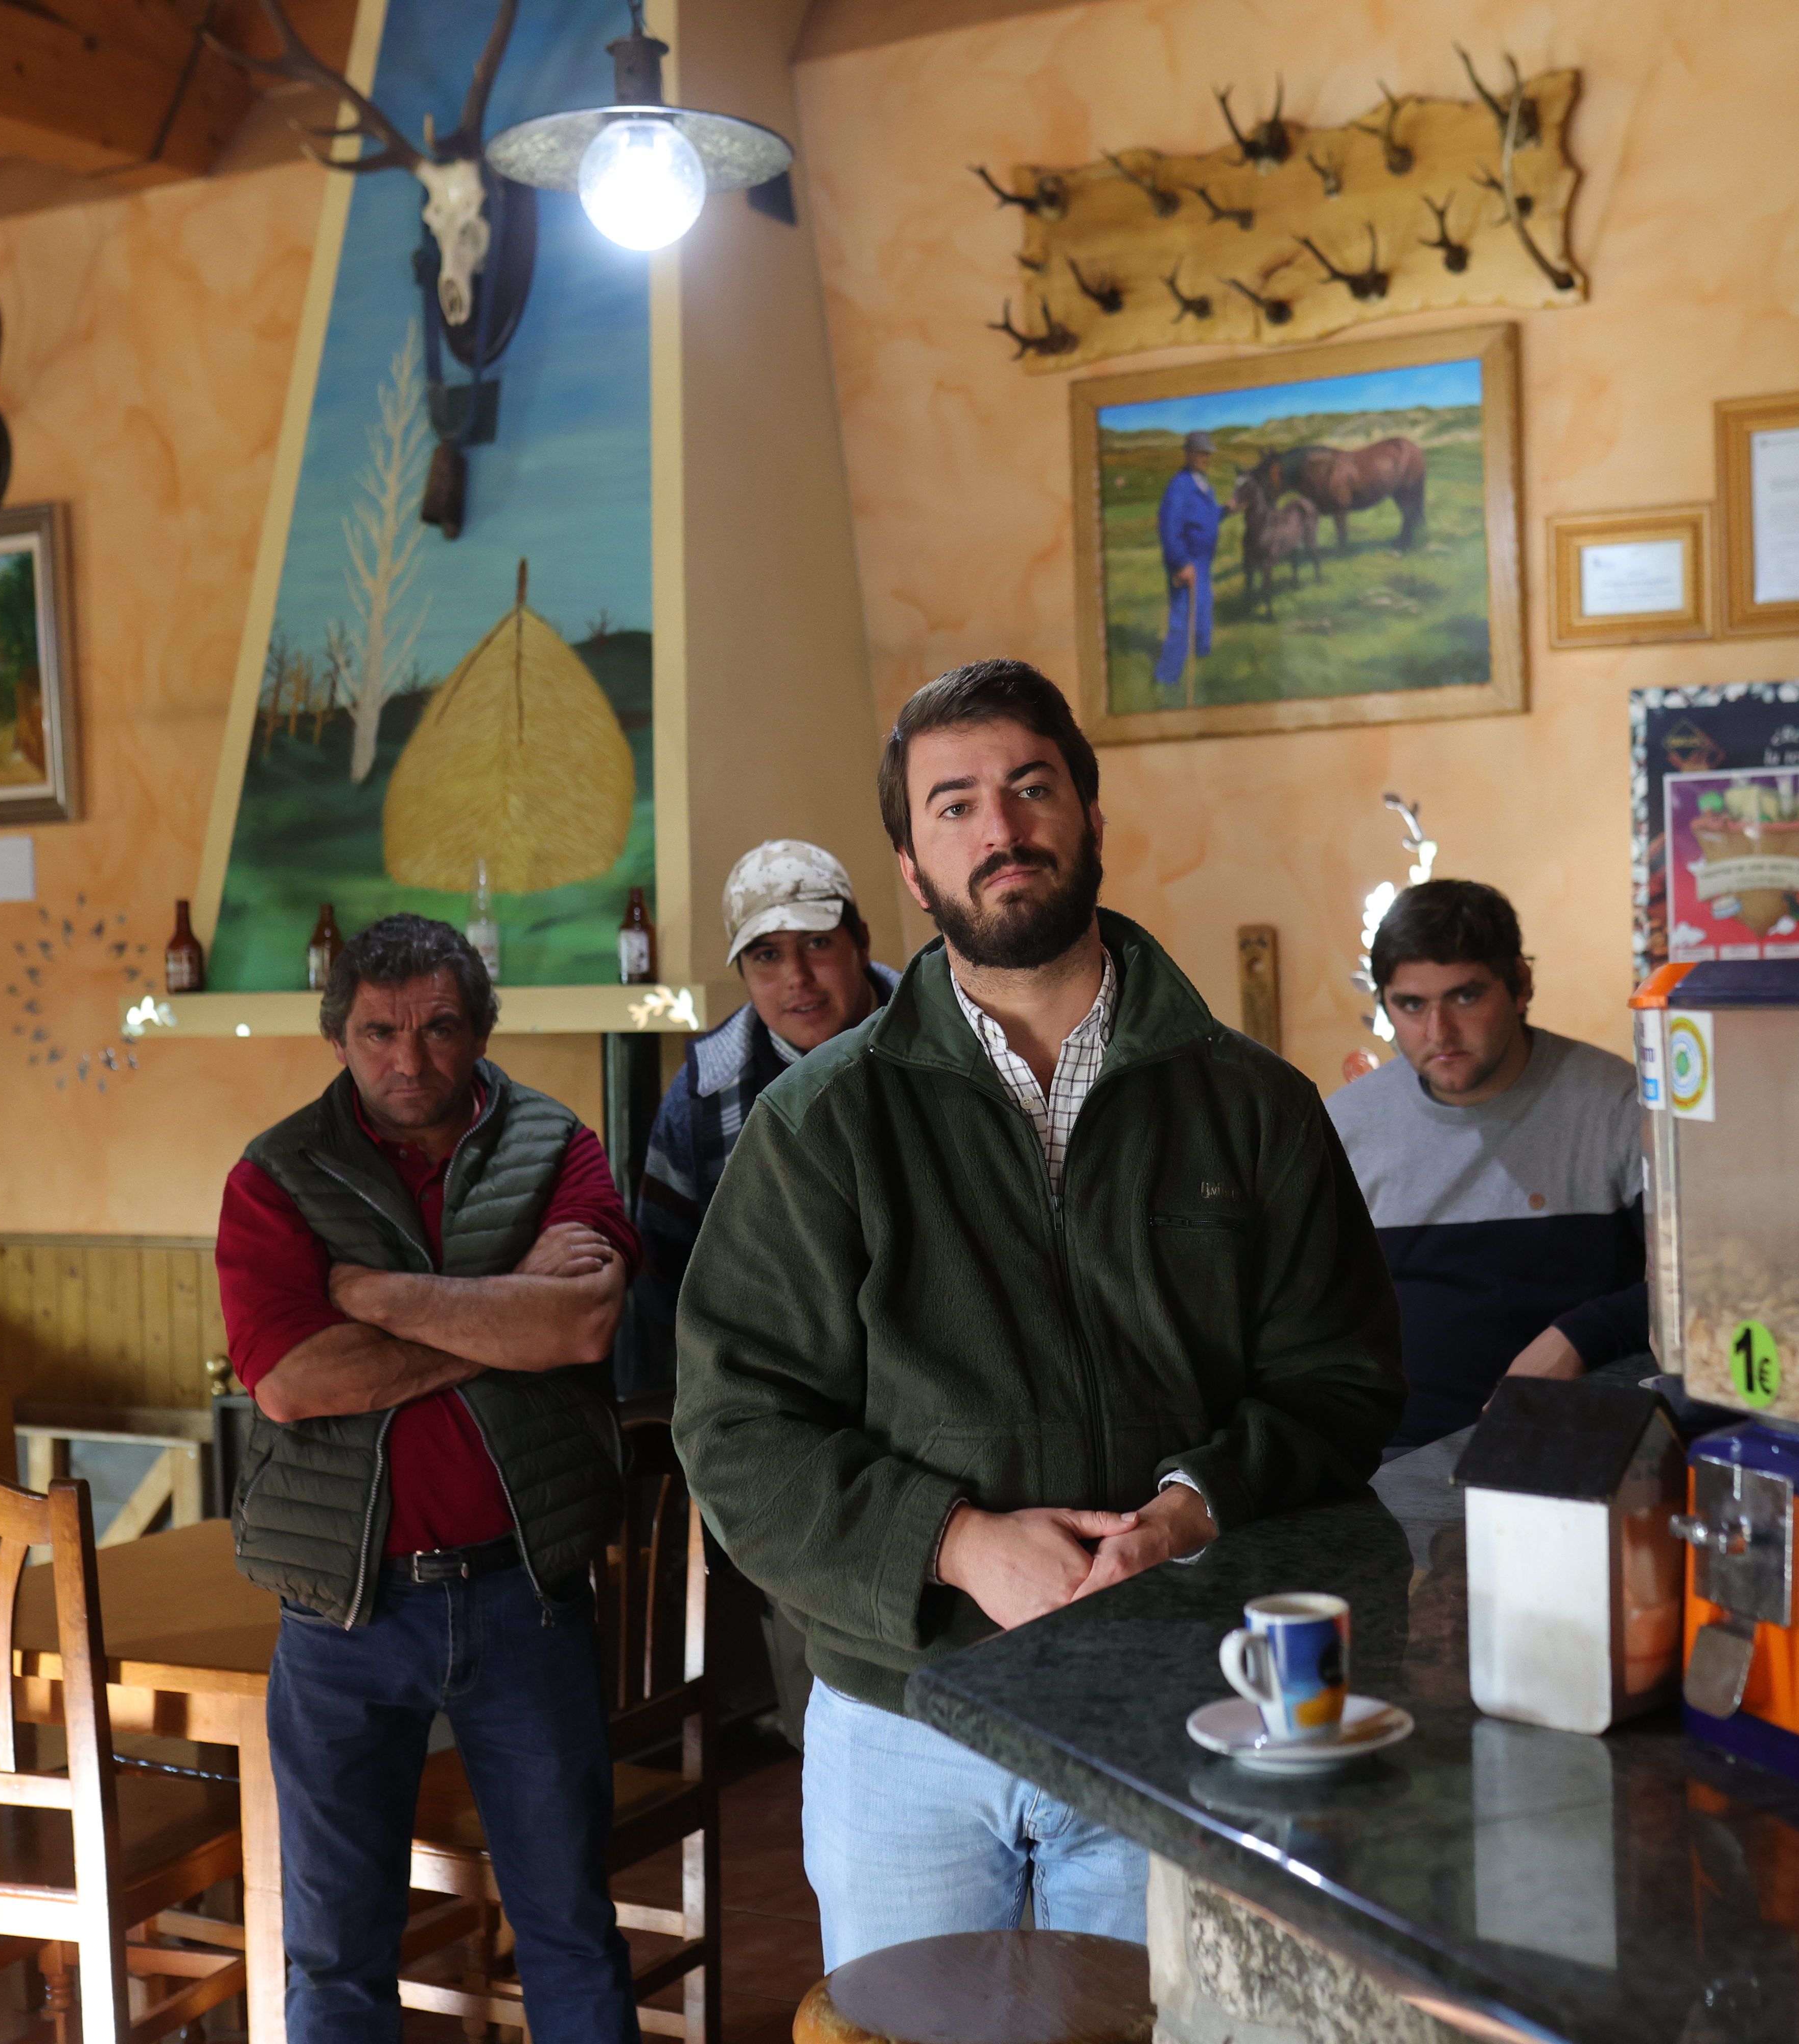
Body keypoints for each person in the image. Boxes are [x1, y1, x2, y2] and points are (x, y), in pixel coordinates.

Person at [673, 659, 1401, 1968]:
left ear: (1093, 817)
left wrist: (1190, 1508)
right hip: (907, 1720)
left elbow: (1341, 1381)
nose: (999, 830)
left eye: (1029, 787)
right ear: (908, 864)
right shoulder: (818, 1127)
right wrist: (955, 1542)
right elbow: (735, 1427)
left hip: (1178, 1694)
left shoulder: (1253, 1104)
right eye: (953, 806)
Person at [216, 913, 640, 2044]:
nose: (411, 1059)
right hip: (342, 1614)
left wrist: (371, 1292)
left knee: (568, 1927)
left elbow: (587, 1320)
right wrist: (508, 1309)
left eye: (441, 1027)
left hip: (526, 1595)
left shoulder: (559, 1145)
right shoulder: (275, 1176)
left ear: (482, 1026)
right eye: (380, 1032)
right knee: (336, 1952)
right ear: (340, 1037)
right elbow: (295, 1383)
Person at [633, 838, 897, 1746]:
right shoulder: (705, 1088)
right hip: (796, 1430)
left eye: (818, 944)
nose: (799, 979)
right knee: (826, 1700)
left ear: (860, 940)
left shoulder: (942, 1034)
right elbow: (666, 1273)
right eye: (766, 956)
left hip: (936, 1407)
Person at [1327, 879, 1649, 1454]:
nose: (1439, 1032)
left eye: (1466, 997)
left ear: (1521, 985)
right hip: (1392, 1464)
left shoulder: (1618, 1105)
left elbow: (1697, 1285)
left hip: (1583, 1444)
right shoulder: (1344, 1126)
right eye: (1411, 1005)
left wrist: (1580, 1335)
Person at [1153, 431, 1223, 701]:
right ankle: (1167, 677)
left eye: (1208, 454)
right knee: (1183, 617)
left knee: (1204, 609)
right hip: (1187, 562)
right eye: (1200, 453)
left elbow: (1208, 516)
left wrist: (1226, 510)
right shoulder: (1180, 486)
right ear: (1189, 454)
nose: (1205, 458)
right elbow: (1170, 528)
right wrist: (1182, 563)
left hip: (1203, 562)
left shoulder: (1203, 483)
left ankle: (1203, 656)